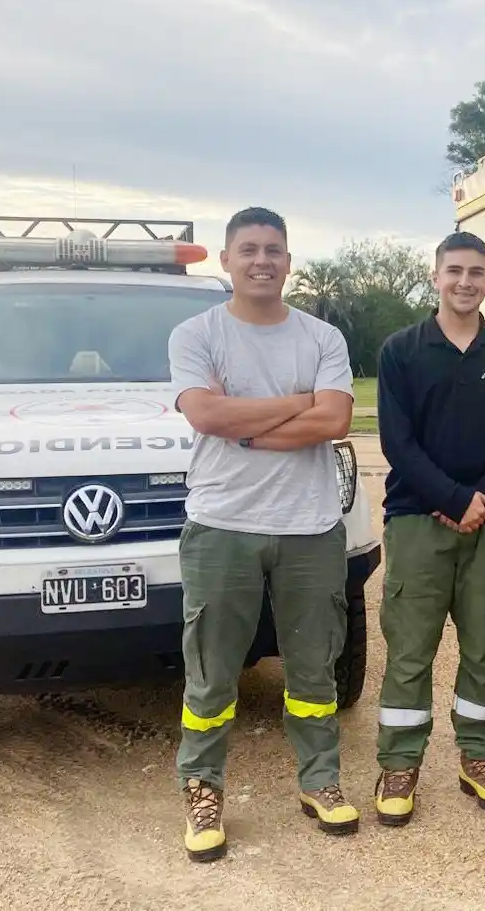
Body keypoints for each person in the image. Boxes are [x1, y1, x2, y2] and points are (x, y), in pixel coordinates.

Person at [167, 206, 358, 861]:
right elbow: (203, 412)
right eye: (248, 249)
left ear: (288, 261)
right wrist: (295, 402)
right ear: (226, 260)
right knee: (212, 674)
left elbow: (334, 420)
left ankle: (321, 781)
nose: (261, 260)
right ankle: (202, 788)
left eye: (273, 249)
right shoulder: (196, 334)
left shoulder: (322, 338)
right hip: (222, 525)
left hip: (309, 527)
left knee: (314, 668)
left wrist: (243, 422)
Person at [371, 230, 485, 827]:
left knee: (484, 648)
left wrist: (480, 499)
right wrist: (449, 498)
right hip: (419, 519)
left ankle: (479, 757)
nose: (465, 281)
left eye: (476, 272)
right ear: (435, 276)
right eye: (454, 271)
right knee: (410, 651)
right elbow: (398, 440)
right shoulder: (402, 350)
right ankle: (398, 765)